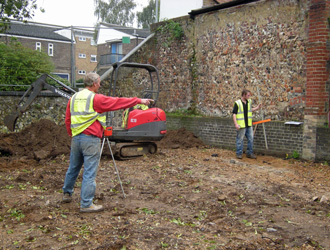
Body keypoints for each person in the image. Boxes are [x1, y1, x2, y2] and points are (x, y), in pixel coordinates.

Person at [62, 72, 152, 213]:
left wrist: (72, 134)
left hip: (76, 138)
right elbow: (117, 102)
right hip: (90, 139)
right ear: (94, 84)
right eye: (99, 83)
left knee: (73, 167)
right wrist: (138, 101)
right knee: (89, 172)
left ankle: (67, 193)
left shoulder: (74, 98)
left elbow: (68, 119)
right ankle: (86, 204)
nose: (100, 85)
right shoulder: (95, 99)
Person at [232, 89, 261, 159]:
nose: (249, 96)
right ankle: (239, 153)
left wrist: (257, 108)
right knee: (240, 140)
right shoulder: (237, 103)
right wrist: (236, 124)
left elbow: (250, 110)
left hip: (248, 124)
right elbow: (234, 114)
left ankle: (249, 153)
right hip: (241, 125)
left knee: (251, 138)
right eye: (248, 95)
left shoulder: (249, 102)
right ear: (244, 95)